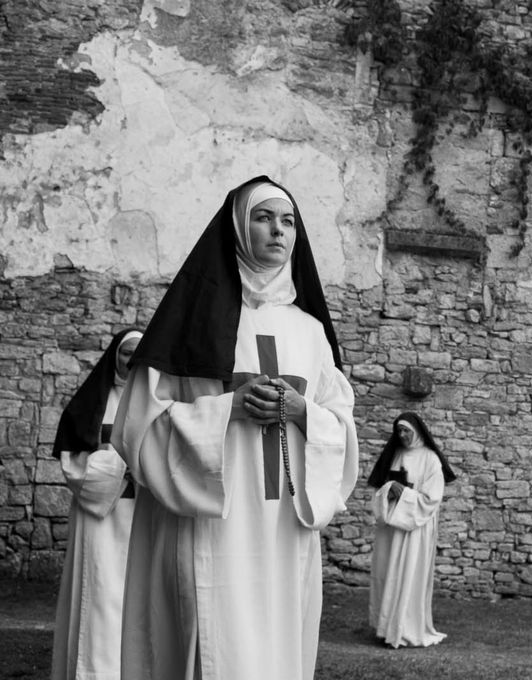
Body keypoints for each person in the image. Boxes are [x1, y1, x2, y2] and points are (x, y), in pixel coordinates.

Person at [111, 176, 359, 680]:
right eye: (263, 218)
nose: (278, 231)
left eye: (288, 221)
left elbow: (341, 425)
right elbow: (138, 427)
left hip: (284, 526)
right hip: (213, 521)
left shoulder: (311, 333)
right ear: (237, 229)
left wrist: (301, 410)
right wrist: (229, 409)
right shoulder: (192, 322)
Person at [50, 328, 142, 680]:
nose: (132, 360)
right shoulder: (92, 402)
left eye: (139, 353)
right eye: (125, 353)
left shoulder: (157, 401)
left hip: (143, 518)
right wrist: (124, 463)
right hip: (101, 520)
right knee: (100, 597)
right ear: (113, 357)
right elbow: (74, 466)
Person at [367, 412, 457, 649]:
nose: (402, 435)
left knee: (408, 576)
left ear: (417, 431)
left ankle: (405, 629)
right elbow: (381, 488)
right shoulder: (394, 454)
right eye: (399, 431)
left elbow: (431, 498)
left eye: (406, 430)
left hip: (414, 530)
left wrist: (404, 493)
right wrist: (390, 488)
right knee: (386, 574)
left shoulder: (430, 459)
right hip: (391, 528)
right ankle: (384, 627)